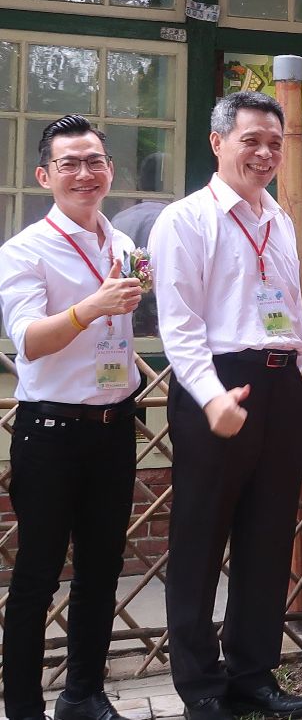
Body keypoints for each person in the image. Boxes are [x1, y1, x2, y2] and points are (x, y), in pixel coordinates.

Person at [149, 92, 302, 720]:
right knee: (199, 539)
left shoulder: (278, 216)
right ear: (218, 142)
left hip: (278, 386)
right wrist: (212, 395)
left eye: (275, 142)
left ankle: (254, 673)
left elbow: (290, 308)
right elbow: (180, 324)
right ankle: (200, 687)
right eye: (252, 139)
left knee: (268, 535)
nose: (266, 152)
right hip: (215, 384)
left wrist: (293, 374)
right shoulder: (186, 220)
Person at [0, 116, 144, 720]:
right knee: (36, 576)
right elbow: (28, 340)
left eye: (95, 162)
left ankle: (83, 694)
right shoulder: (24, 250)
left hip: (114, 427)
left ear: (110, 171)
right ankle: (26, 707)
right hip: (51, 432)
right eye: (70, 164)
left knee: (101, 570)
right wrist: (91, 307)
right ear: (45, 176)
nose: (85, 174)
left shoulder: (124, 245)